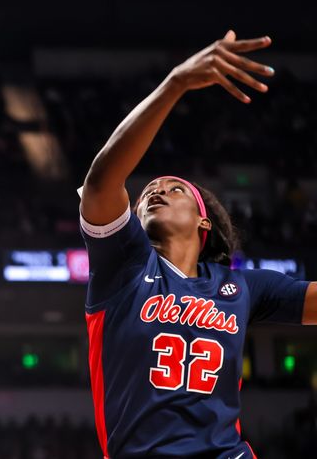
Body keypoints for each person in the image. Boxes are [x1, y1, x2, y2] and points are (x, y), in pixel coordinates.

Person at [79, 31, 317, 458]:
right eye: (148, 190)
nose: (156, 190)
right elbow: (100, 183)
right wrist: (177, 83)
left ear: (203, 218)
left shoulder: (240, 286)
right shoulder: (124, 267)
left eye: (174, 189)